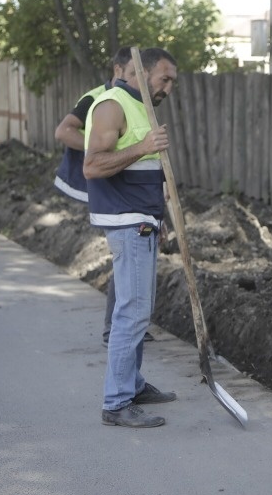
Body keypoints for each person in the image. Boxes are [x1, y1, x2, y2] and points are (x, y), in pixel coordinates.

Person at [84, 47, 178, 428]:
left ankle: (133, 385)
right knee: (132, 312)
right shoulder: (112, 105)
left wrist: (160, 215)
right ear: (141, 72)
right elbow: (92, 165)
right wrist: (143, 146)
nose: (169, 88)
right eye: (164, 79)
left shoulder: (141, 107)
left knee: (138, 309)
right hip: (126, 222)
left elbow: (144, 167)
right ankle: (117, 402)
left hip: (143, 219)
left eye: (172, 81)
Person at [53, 47, 155, 347]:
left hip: (116, 181)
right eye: (134, 73)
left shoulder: (134, 100)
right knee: (124, 252)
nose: (140, 80)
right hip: (97, 181)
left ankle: (126, 325)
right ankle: (116, 328)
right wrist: (100, 154)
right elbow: (63, 131)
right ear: (118, 71)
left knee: (125, 256)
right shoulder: (100, 99)